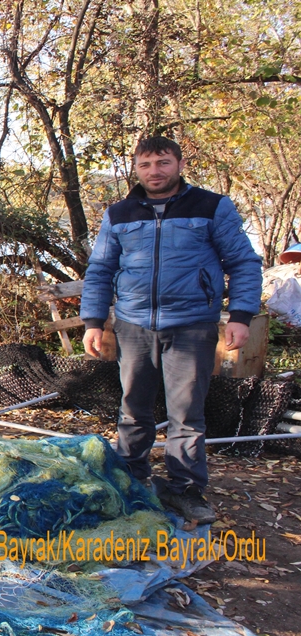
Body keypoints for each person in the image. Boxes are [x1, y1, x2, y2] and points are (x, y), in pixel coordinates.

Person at [81, 135, 263, 524]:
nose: (154, 171)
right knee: (133, 408)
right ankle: (130, 480)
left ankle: (185, 490)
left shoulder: (211, 206)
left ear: (179, 164)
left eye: (163, 162)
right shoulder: (119, 214)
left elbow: (243, 263)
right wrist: (93, 322)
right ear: (136, 169)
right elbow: (100, 270)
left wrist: (241, 315)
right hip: (133, 325)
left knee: (186, 414)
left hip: (192, 325)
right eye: (145, 165)